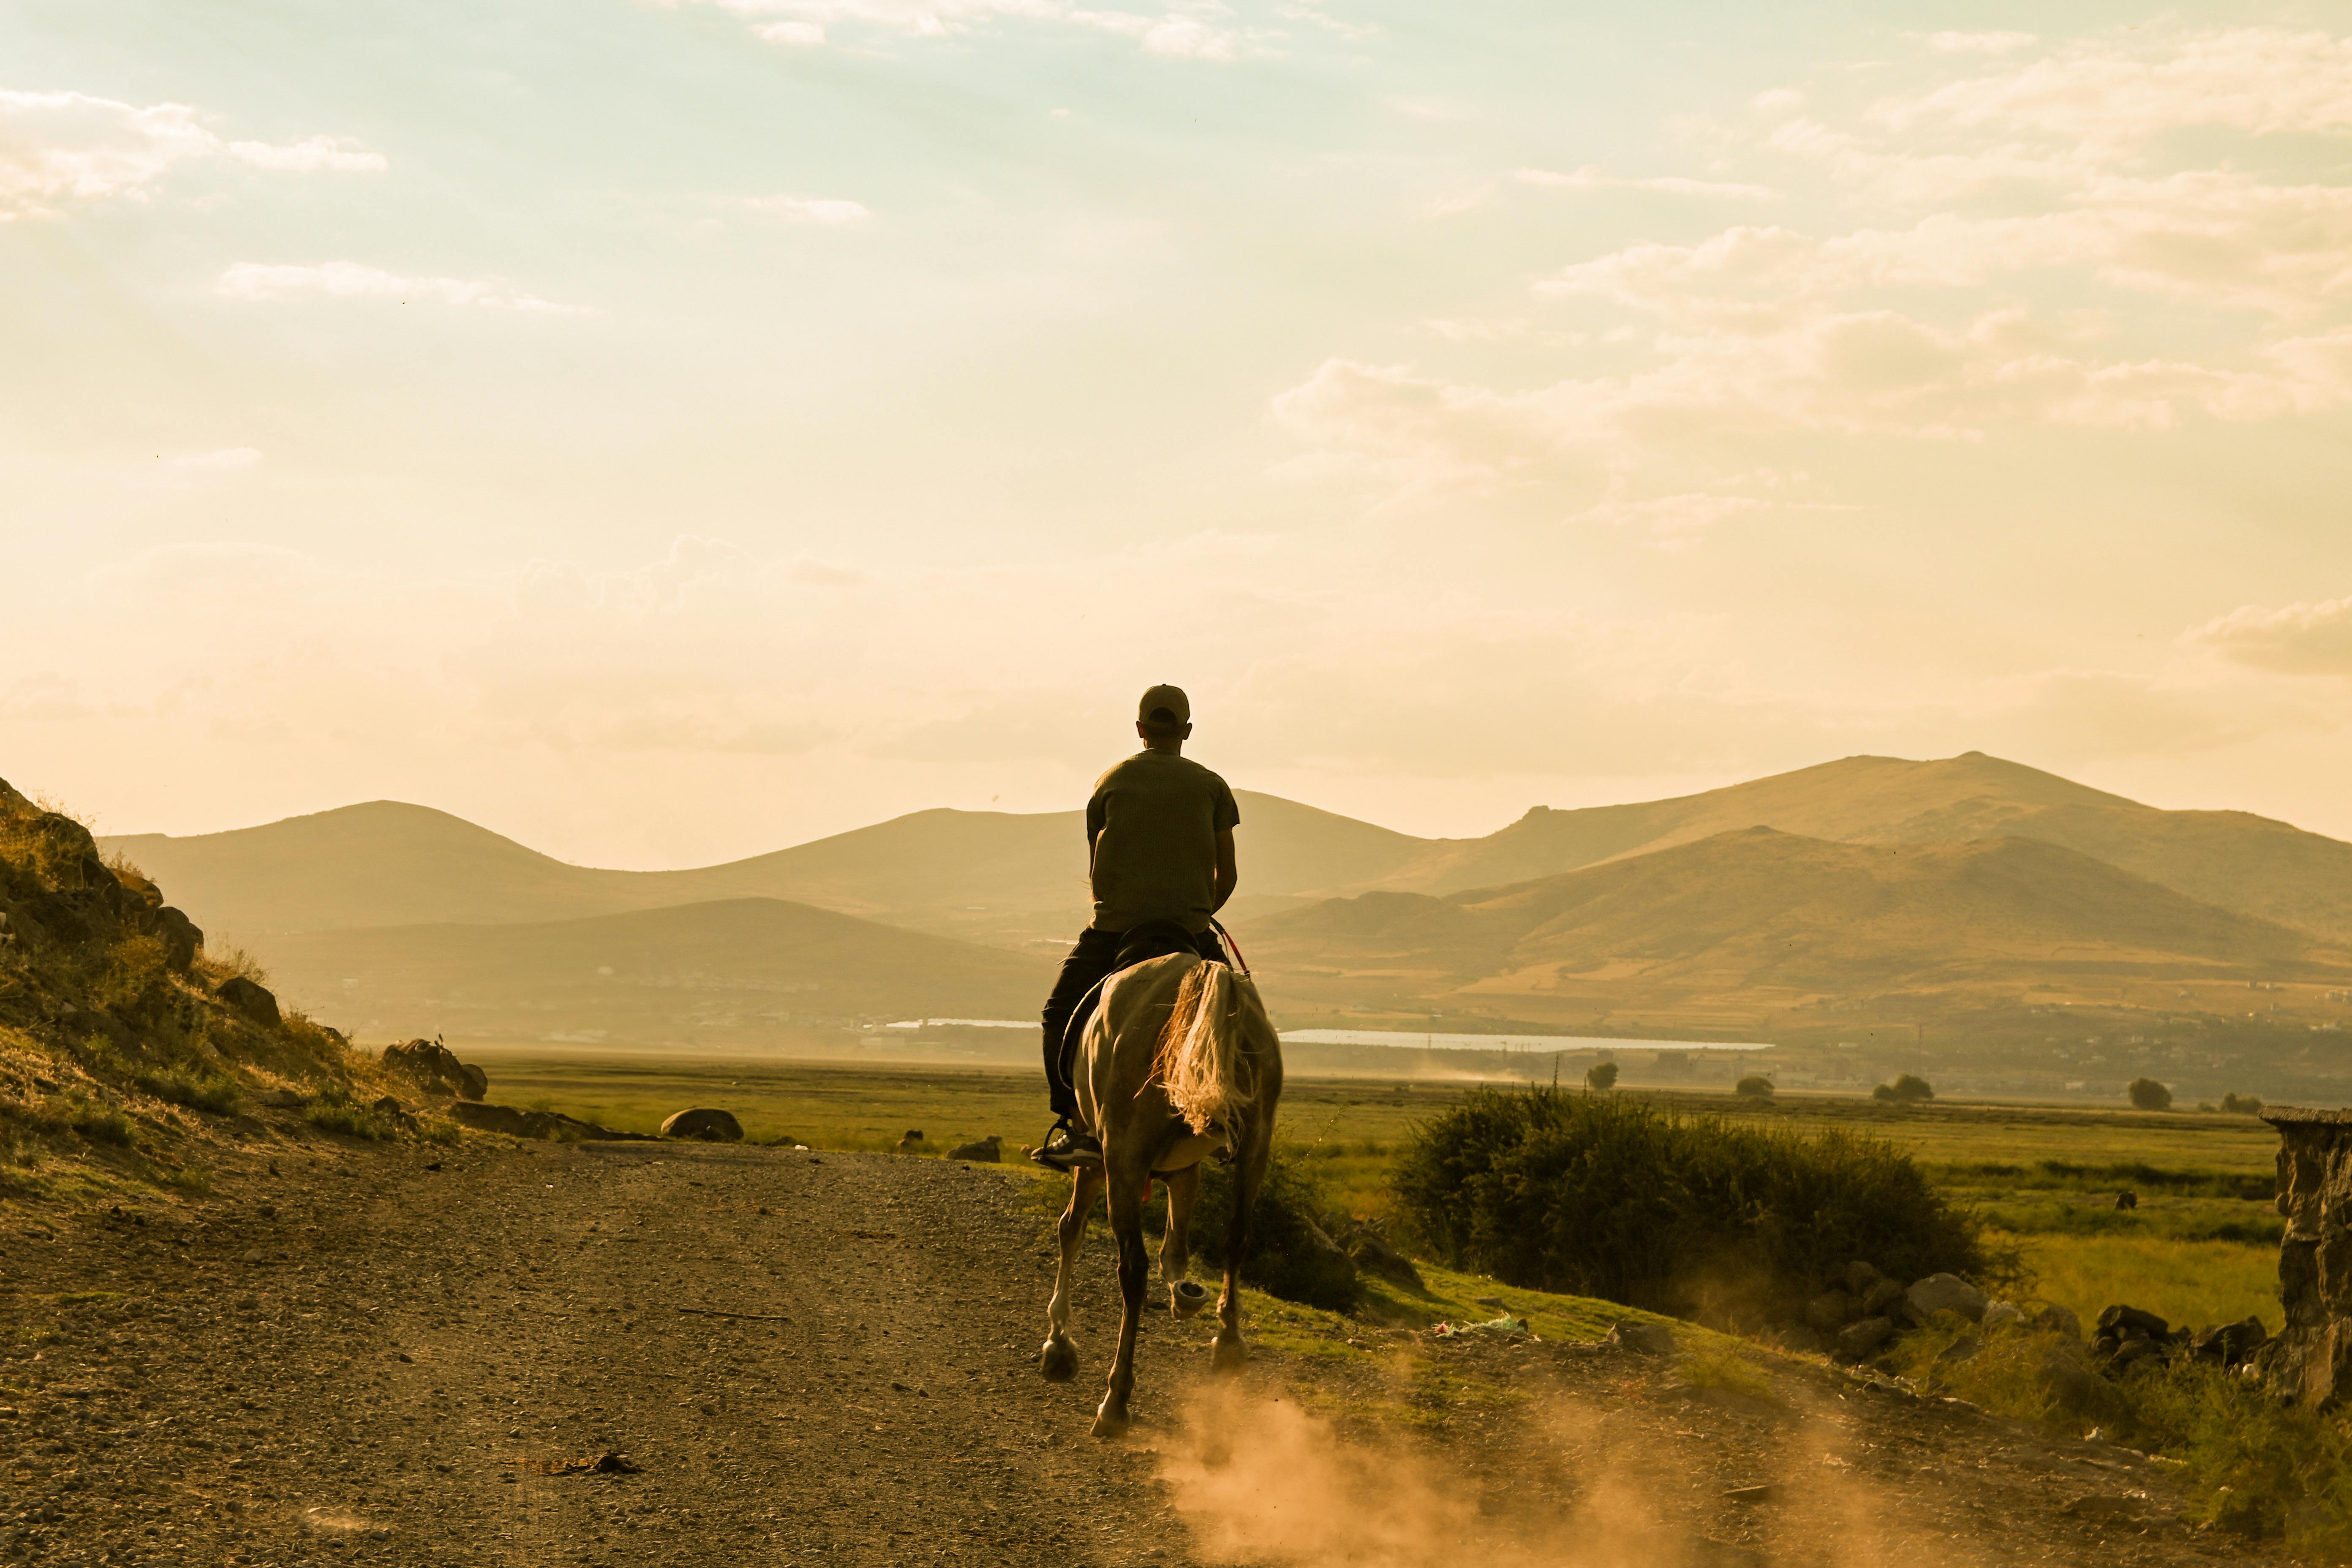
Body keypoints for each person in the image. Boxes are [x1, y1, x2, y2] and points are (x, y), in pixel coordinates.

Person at [1032, 683, 1239, 1171]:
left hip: (1115, 930)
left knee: (1058, 1013)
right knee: (1233, 1015)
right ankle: (1230, 1121)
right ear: (1186, 731)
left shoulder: (1112, 782)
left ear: (1141, 729)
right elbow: (1227, 876)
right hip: (1189, 928)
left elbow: (1097, 868)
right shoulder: (1212, 785)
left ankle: (1074, 1125)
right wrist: (1198, 914)